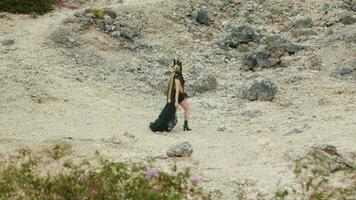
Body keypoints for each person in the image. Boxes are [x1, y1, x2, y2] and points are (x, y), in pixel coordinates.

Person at [149, 59, 192, 132]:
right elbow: (177, 91)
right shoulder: (177, 79)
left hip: (178, 96)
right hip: (179, 97)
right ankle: (185, 125)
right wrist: (176, 101)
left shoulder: (173, 77)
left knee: (183, 109)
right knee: (186, 109)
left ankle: (185, 125)